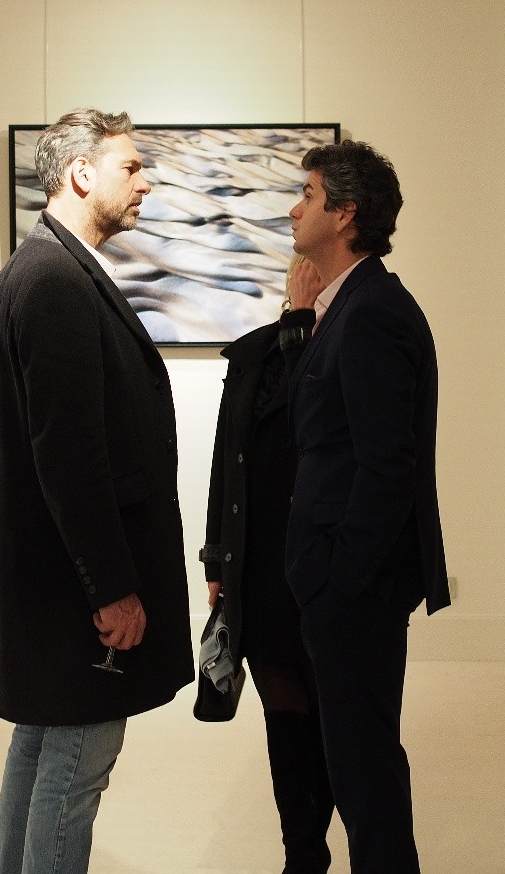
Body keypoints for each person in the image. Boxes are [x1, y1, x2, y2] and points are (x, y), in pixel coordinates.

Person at [0, 108, 193, 874]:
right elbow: (70, 457)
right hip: (73, 590)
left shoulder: (37, 268)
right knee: (76, 766)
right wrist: (113, 587)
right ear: (82, 174)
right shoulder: (55, 281)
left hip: (49, 581)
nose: (145, 182)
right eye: (131, 167)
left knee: (41, 743)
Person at [283, 139, 451, 873]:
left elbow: (388, 467)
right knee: (355, 761)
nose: (296, 209)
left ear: (346, 214)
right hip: (342, 583)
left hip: (355, 586)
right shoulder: (350, 305)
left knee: (365, 766)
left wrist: (339, 578)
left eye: (309, 195)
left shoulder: (373, 312)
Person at [201, 254, 336, 874]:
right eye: (302, 275)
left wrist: (305, 324)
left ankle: (311, 845)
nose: (306, 281)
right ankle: (301, 854)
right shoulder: (254, 354)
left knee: (326, 711)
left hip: (318, 563)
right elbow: (225, 460)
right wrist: (216, 559)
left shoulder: (342, 348)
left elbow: (312, 430)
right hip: (258, 566)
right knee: (283, 710)